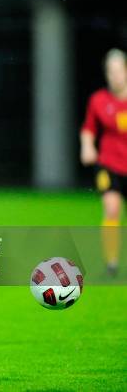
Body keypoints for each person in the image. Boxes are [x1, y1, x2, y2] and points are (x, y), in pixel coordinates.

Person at [80, 48, 127, 277]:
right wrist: (87, 146)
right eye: (110, 72)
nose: (114, 77)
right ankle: (112, 263)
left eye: (118, 71)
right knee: (112, 208)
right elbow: (89, 129)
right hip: (109, 165)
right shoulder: (98, 100)